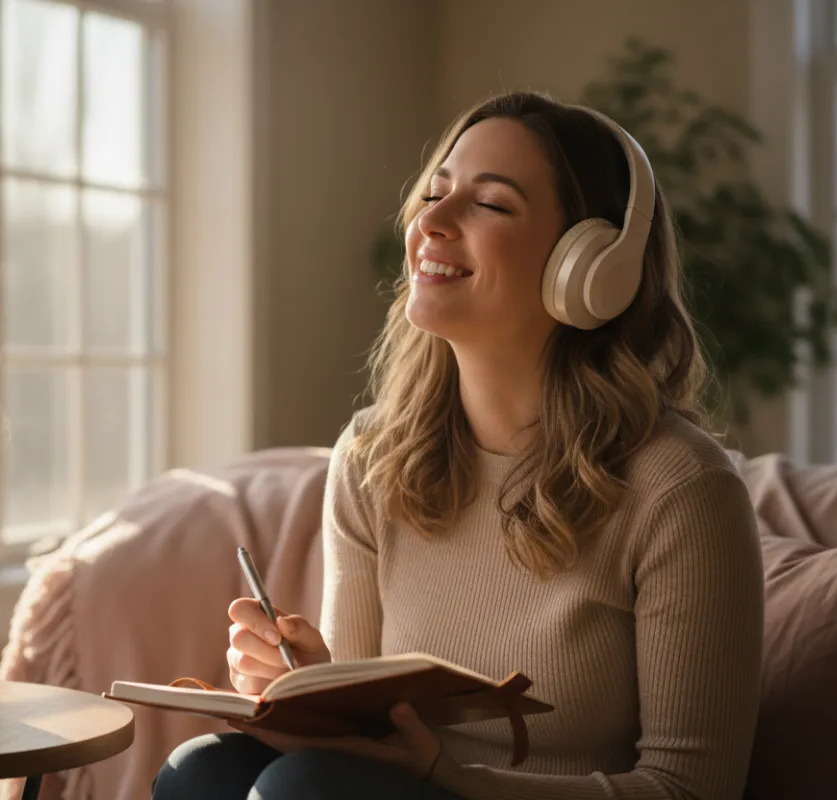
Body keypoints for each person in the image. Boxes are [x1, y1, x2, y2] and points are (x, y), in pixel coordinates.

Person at [151, 90, 764, 800]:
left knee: (302, 790)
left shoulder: (681, 488)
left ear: (588, 266)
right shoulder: (372, 455)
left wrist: (450, 777)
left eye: (491, 204)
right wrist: (311, 685)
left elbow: (692, 790)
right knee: (201, 772)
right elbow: (360, 744)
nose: (430, 222)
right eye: (435, 194)